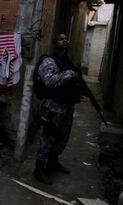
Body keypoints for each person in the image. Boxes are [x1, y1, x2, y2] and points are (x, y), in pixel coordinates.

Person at [33, 34, 82, 185]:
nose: (65, 40)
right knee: (48, 137)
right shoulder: (48, 61)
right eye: (61, 39)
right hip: (52, 106)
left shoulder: (67, 61)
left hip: (66, 106)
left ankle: (53, 162)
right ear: (54, 44)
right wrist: (70, 74)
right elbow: (49, 81)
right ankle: (39, 168)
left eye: (67, 39)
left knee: (62, 137)